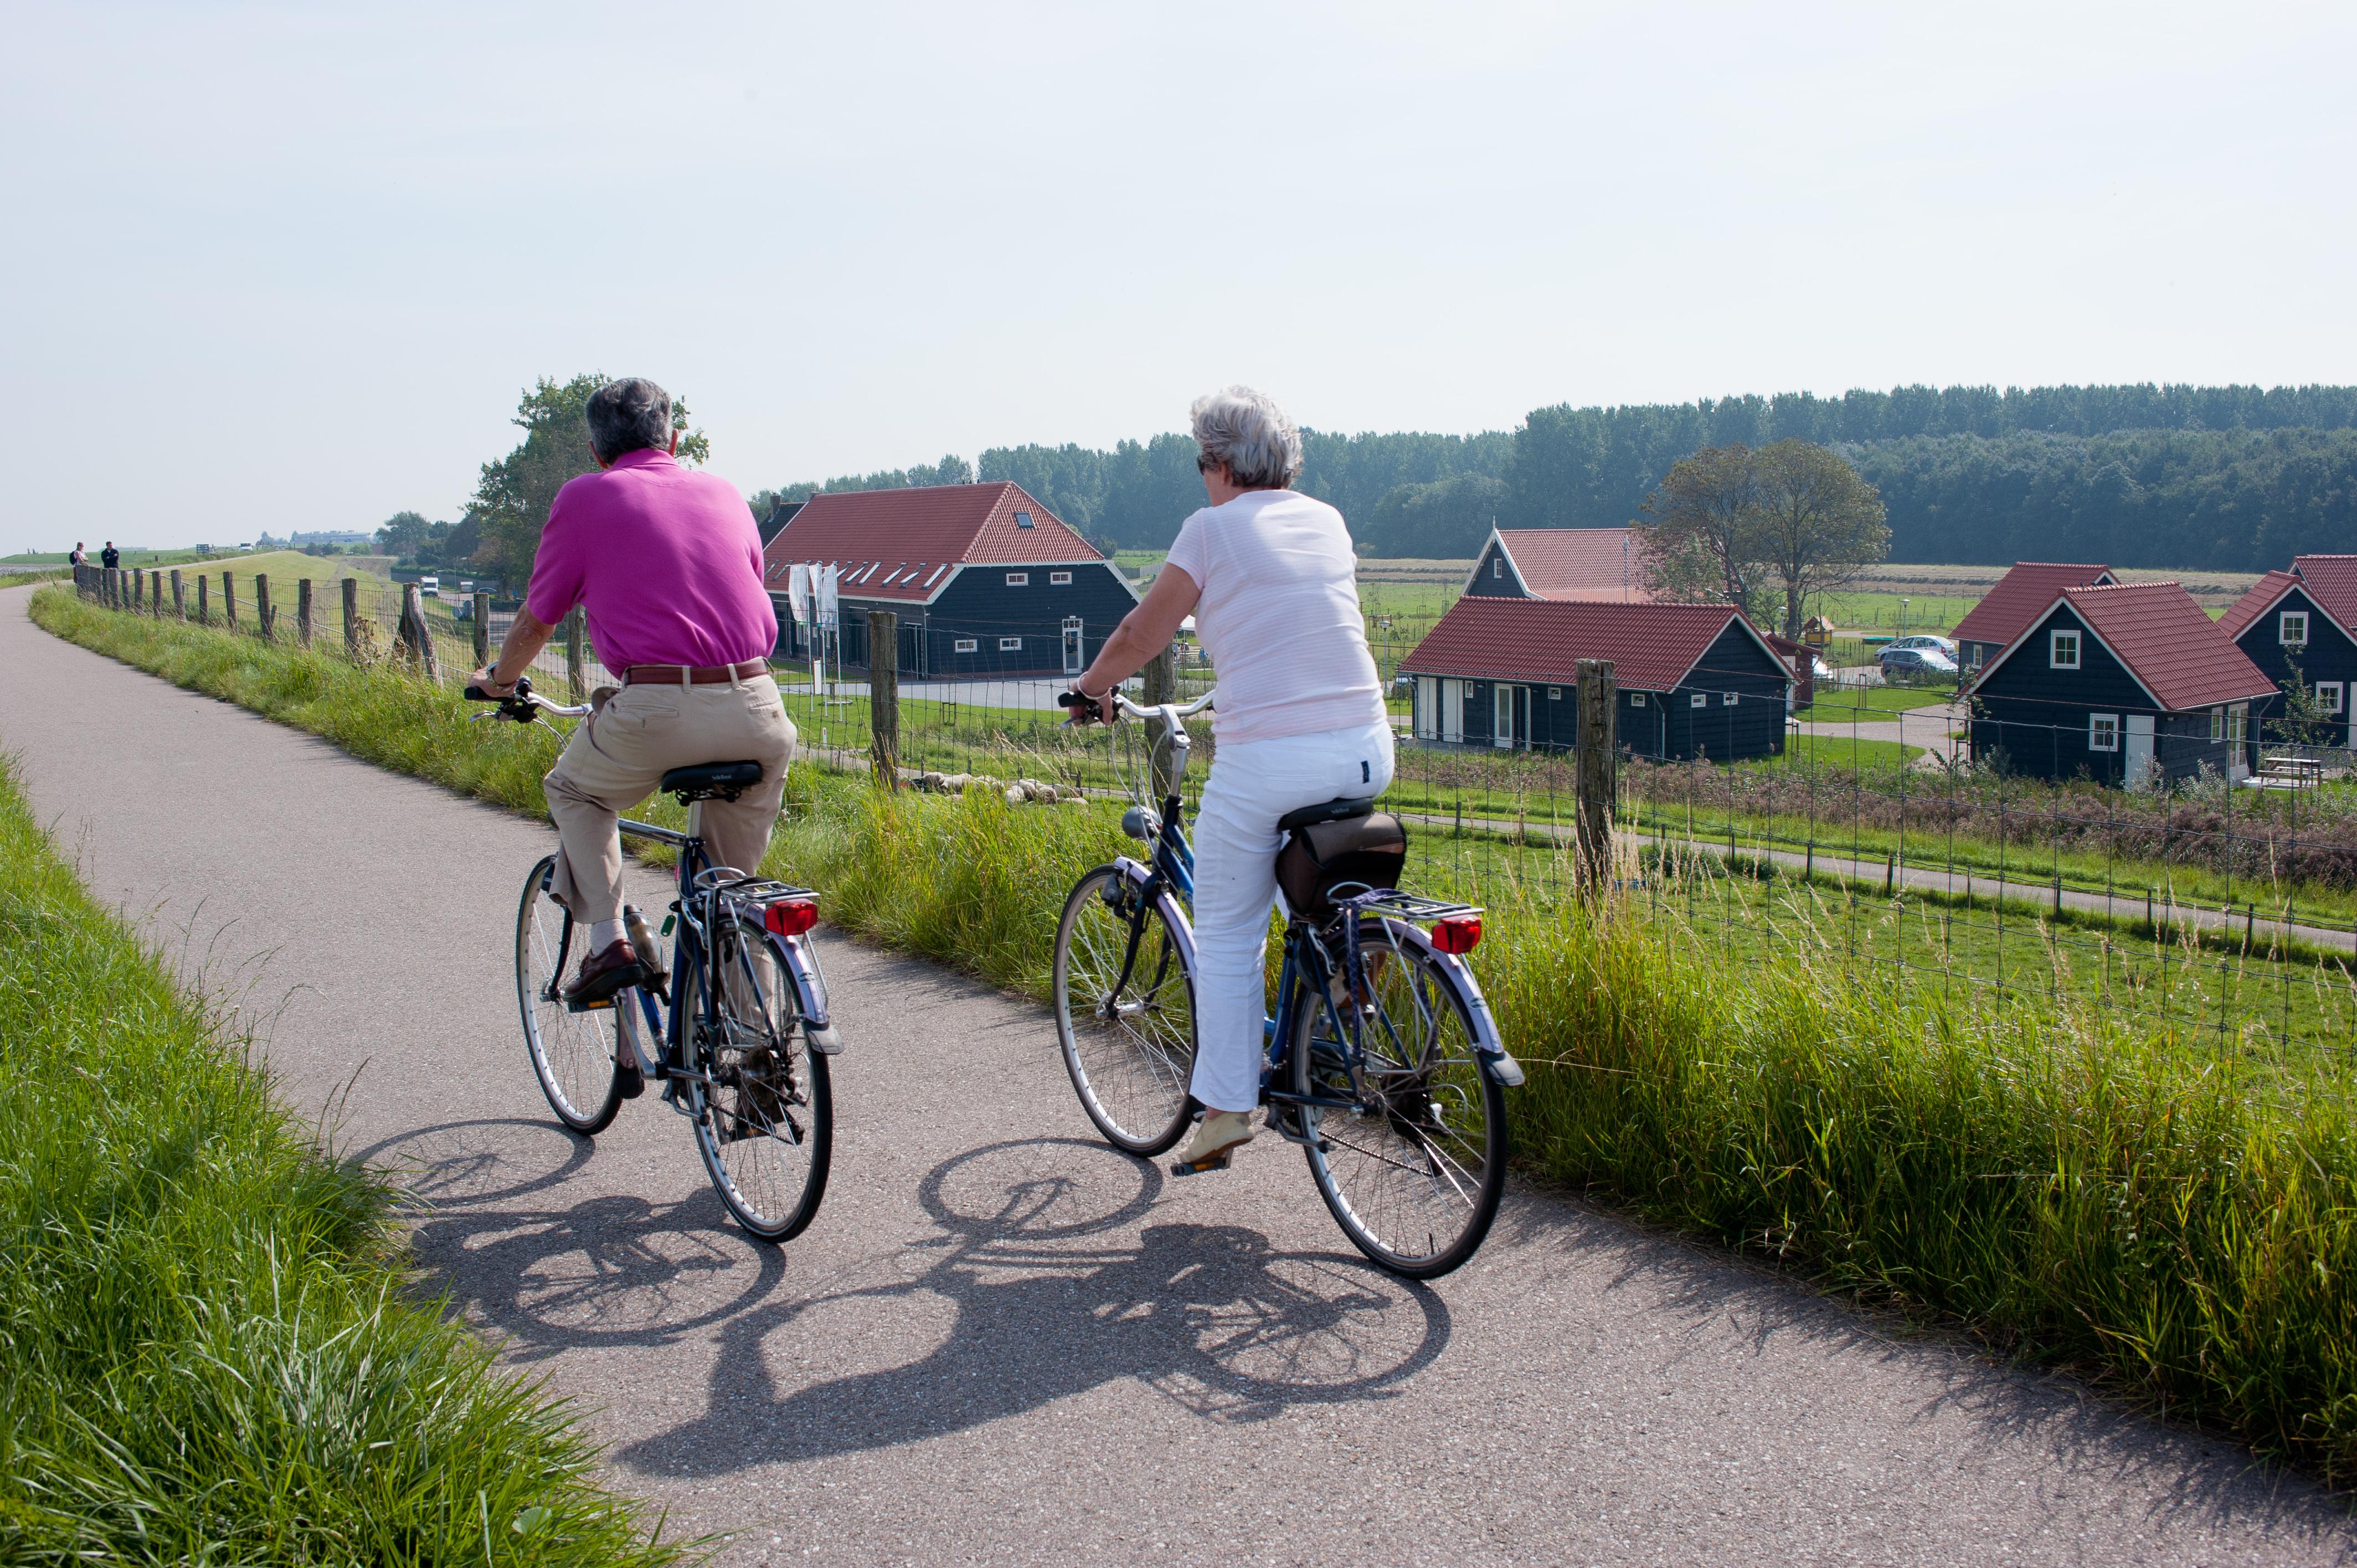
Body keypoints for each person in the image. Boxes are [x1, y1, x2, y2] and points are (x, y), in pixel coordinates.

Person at [1066, 387, 1393, 1169]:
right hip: (1366, 748)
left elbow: (1143, 630)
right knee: (1302, 886)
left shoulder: (1209, 529)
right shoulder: (1328, 520)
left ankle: (1224, 1109)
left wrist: (1091, 690)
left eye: (1199, 465)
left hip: (1272, 760)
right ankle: (1347, 965)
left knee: (1225, 934)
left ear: (1218, 465)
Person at [472, 378, 795, 1043]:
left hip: (658, 706)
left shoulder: (586, 498)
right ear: (672, 439)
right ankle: (758, 1053)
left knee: (573, 789)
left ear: (596, 451)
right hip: (759, 706)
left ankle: (607, 943)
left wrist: (501, 681)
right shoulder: (724, 492)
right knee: (731, 888)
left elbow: (538, 618)